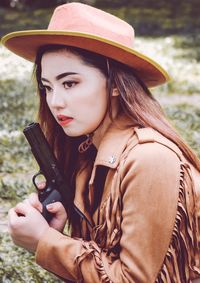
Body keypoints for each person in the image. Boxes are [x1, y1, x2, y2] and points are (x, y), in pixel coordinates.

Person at [2, 2, 200, 282]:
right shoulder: (89, 153)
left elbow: (133, 279)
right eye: (47, 87)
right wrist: (58, 233)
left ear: (116, 83)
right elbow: (103, 259)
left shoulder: (150, 159)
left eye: (70, 83)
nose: (55, 102)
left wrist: (45, 241)